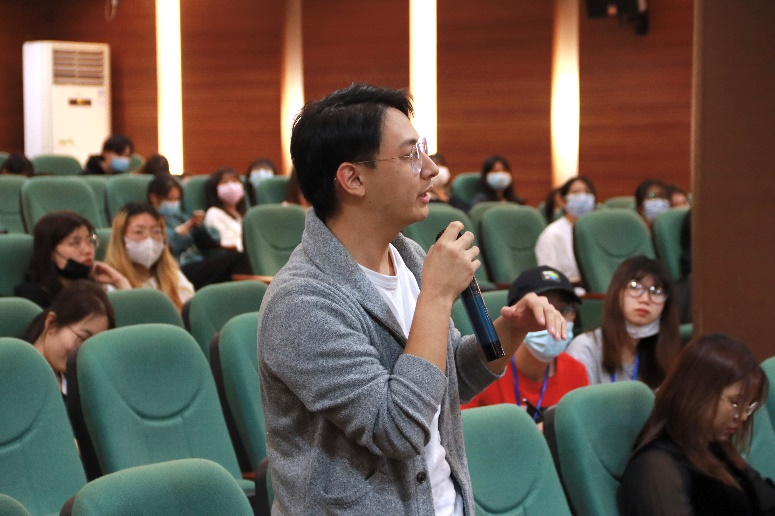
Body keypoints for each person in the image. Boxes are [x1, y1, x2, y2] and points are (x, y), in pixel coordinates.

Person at [257, 83, 566, 515]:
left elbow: (446, 379)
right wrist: (436, 297)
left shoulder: (408, 256)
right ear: (353, 179)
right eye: (410, 156)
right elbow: (398, 428)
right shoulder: (300, 302)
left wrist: (509, 331)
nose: (432, 169)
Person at [619, 333, 775, 515]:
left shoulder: (716, 448)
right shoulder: (655, 466)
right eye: (735, 403)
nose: (742, 417)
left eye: (748, 406)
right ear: (697, 393)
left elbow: (768, 502)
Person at [462, 266, 589, 422]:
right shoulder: (486, 369)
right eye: (542, 309)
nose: (554, 317)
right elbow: (464, 429)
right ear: (517, 313)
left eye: (563, 310)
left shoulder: (576, 372)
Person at [566, 255, 681, 389]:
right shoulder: (585, 348)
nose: (645, 299)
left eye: (656, 291)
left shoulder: (663, 354)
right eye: (635, 287)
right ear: (616, 292)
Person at [147, 174, 251, 288]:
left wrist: (199, 226)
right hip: (178, 267)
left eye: (177, 199)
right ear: (154, 198)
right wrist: (187, 227)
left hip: (199, 261)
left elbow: (214, 237)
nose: (174, 203)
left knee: (239, 260)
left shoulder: (178, 217)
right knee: (238, 259)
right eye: (170, 199)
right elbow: (168, 247)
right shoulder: (148, 221)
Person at [14, 211, 131, 308]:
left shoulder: (94, 288)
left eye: (90, 241)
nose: (88, 250)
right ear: (50, 252)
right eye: (75, 243)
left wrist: (120, 282)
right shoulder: (32, 295)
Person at [22, 280, 115, 396]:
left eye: (93, 344)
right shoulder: (18, 376)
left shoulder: (78, 383)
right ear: (52, 323)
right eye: (82, 338)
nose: (85, 352)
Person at [105, 202, 194, 310]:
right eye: (139, 232)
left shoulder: (174, 275)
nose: (149, 239)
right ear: (121, 239)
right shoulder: (111, 283)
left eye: (156, 232)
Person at [535, 176, 597, 287]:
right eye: (576, 192)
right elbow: (547, 275)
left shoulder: (598, 232)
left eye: (587, 192)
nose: (583, 197)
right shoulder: (552, 234)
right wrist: (567, 283)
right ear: (563, 201)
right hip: (568, 290)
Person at [204, 167, 247, 252]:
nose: (231, 186)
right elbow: (226, 244)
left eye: (235, 181)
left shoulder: (243, 214)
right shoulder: (213, 213)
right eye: (224, 182)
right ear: (215, 189)